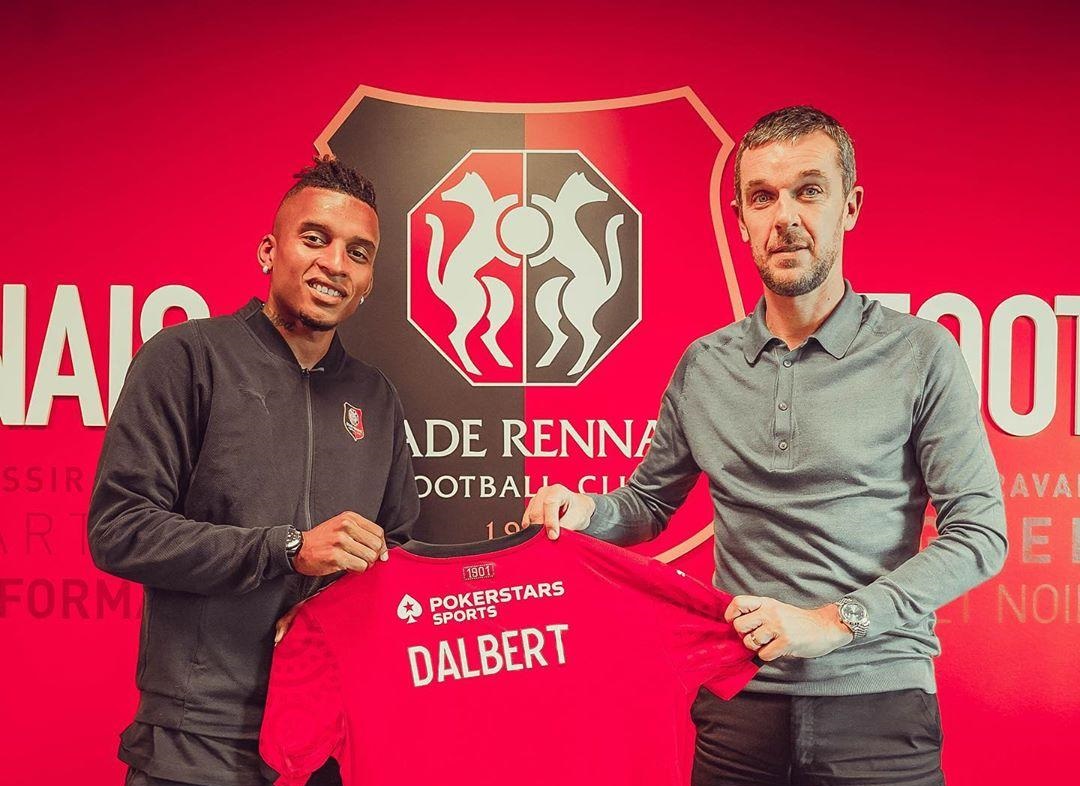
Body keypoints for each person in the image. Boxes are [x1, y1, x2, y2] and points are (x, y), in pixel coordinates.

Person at [523, 106, 1007, 785]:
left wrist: (836, 621)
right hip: (739, 708)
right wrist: (587, 511)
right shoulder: (704, 366)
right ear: (741, 219)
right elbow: (646, 505)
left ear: (850, 207)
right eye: (763, 196)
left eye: (809, 191)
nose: (785, 217)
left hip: (879, 707)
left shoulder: (921, 352)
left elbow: (980, 533)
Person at [89, 156, 419, 786]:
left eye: (358, 253)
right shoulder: (188, 357)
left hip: (330, 737)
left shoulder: (375, 396)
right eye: (314, 238)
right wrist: (287, 550)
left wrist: (332, 613)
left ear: (369, 281)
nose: (335, 263)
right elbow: (120, 529)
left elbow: (396, 552)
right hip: (197, 742)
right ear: (269, 251)